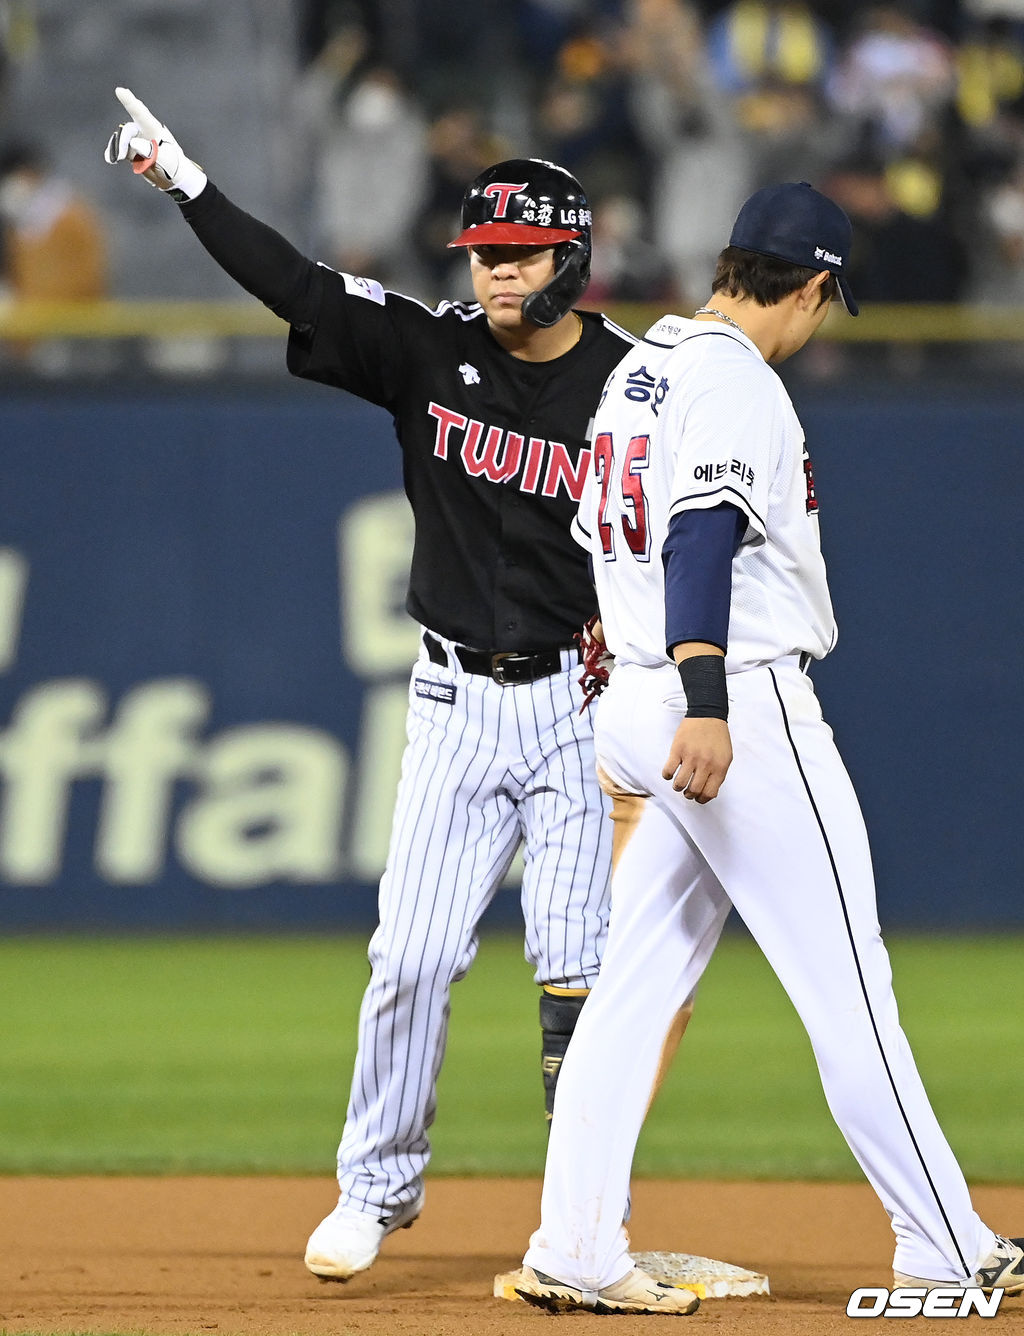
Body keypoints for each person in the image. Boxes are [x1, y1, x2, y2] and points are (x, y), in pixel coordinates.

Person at [103, 88, 635, 1283]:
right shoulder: (427, 346)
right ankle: (374, 1188)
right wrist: (187, 184)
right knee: (410, 958)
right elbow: (297, 286)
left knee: (580, 978)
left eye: (517, 254)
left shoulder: (636, 385)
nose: (495, 274)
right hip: (454, 696)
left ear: (572, 257)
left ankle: (586, 1219)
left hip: (580, 706)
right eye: (483, 255)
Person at [513, 180, 1024, 1315]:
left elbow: (601, 534)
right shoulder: (738, 381)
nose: (820, 322)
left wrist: (645, 672)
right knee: (848, 982)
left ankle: (576, 1244)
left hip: (641, 695)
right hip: (729, 703)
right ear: (811, 283)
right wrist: (703, 697)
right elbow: (700, 533)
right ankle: (943, 1240)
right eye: (826, 301)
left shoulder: (637, 372)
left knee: (633, 988)